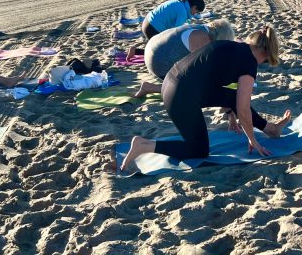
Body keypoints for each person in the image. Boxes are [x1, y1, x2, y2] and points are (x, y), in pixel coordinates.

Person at [120, 26, 291, 172]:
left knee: (233, 96)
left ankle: (270, 129)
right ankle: (144, 145)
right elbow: (244, 107)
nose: (263, 63)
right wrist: (252, 138)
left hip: (172, 83)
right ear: (265, 52)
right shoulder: (248, 62)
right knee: (199, 149)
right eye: (267, 61)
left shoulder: (234, 48)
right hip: (180, 96)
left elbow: (227, 92)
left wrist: (231, 116)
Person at [135, 18, 235, 98]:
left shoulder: (203, 28)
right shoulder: (201, 38)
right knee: (192, 88)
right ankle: (149, 87)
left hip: (152, 47)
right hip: (157, 62)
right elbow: (200, 69)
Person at [127, 0, 205, 60]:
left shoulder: (180, 3)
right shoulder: (183, 12)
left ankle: (136, 50)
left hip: (147, 22)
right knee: (163, 53)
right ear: (194, 7)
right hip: (152, 28)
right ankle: (135, 51)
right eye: (196, 12)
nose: (195, 14)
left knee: (160, 45)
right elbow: (176, 32)